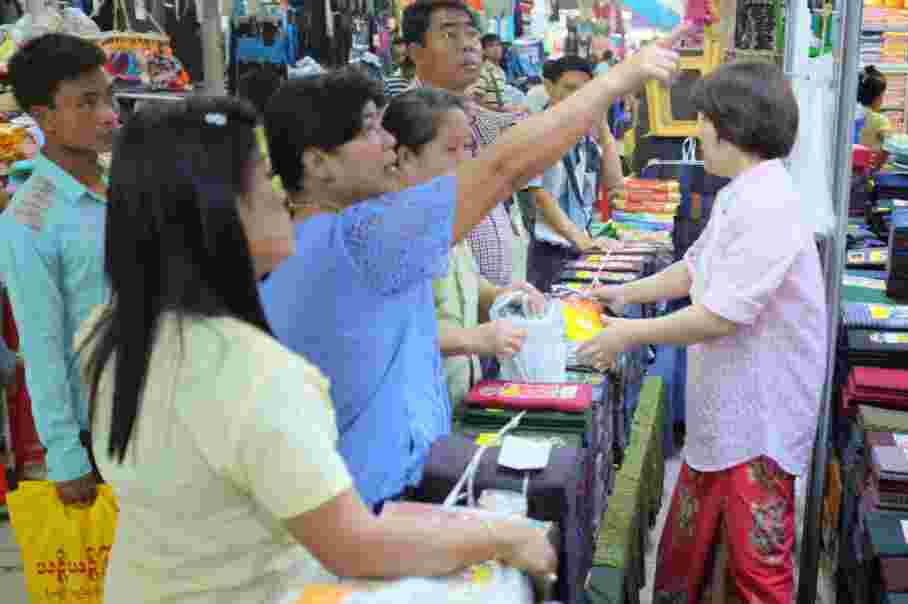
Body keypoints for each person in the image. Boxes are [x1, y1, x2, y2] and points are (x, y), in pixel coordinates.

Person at [75, 96, 557, 603]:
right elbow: (354, 545)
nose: (281, 195)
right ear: (217, 212)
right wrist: (501, 537)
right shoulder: (255, 373)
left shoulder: (110, 332)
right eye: (265, 178)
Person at [260, 34, 684, 508]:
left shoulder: (335, 233)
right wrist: (618, 79)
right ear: (317, 162)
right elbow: (504, 167)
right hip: (374, 498)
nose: (388, 142)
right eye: (369, 130)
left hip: (394, 482)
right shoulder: (359, 237)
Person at [578, 61, 827, 604]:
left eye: (704, 119)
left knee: (755, 572)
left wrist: (629, 334)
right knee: (697, 558)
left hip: (758, 420)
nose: (698, 130)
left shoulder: (769, 204)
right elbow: (693, 269)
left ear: (732, 126)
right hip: (728, 409)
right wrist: (622, 293)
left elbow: (719, 315)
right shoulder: (742, 193)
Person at [0, 33, 119, 505]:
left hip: (165, 413)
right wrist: (66, 456)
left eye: (108, 97)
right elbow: (41, 344)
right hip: (103, 432)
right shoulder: (30, 219)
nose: (108, 114)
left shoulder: (128, 184)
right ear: (44, 115)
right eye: (87, 102)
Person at [382, 89, 544, 406]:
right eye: (450, 149)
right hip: (413, 403)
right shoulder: (385, 229)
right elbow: (387, 333)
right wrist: (470, 339)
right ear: (405, 157)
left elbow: (461, 285)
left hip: (459, 392)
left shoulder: (443, 211)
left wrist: (500, 295)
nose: (464, 161)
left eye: (467, 147)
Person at [404, 0, 528, 287]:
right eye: (449, 34)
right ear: (416, 52)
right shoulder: (402, 124)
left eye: (472, 34)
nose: (468, 45)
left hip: (491, 299)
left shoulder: (479, 116)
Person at [527, 55, 624, 292]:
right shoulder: (536, 132)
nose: (578, 97)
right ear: (549, 87)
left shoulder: (583, 136)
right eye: (570, 88)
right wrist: (580, 240)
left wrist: (603, 128)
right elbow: (539, 195)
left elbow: (615, 186)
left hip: (582, 246)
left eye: (584, 90)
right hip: (551, 252)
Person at [470, 33, 509, 111]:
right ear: (483, 51)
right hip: (491, 116)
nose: (496, 49)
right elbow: (476, 101)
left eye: (498, 45)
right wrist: (500, 110)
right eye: (491, 46)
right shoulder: (482, 70)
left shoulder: (501, 71)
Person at [857, 65, 891, 150]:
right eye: (882, 95)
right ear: (877, 97)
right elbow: (889, 147)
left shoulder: (849, 116)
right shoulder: (880, 121)